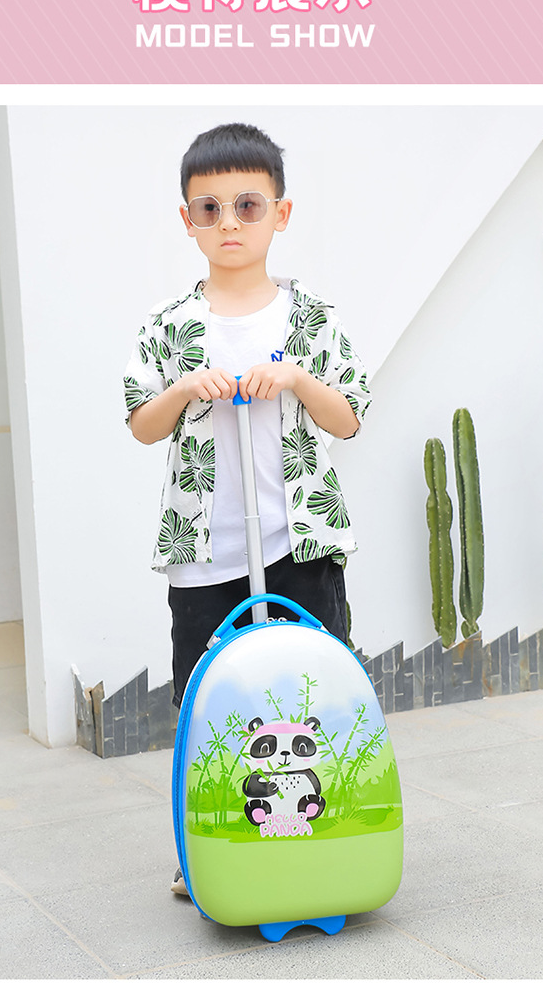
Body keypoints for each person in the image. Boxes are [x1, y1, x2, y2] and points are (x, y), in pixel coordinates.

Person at [123, 122, 372, 896]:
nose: (228, 222)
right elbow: (142, 426)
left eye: (247, 205)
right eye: (210, 208)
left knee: (317, 690)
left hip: (301, 544)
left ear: (280, 214)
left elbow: (348, 418)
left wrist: (295, 379)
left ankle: (329, 830)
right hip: (206, 552)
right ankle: (206, 849)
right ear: (188, 220)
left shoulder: (312, 318)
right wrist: (181, 389)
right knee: (207, 703)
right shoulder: (169, 324)